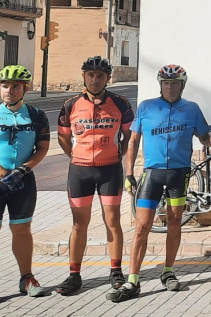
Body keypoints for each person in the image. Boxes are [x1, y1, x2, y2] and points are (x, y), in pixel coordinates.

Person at [110, 65, 211, 302]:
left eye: (175, 83)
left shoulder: (192, 109)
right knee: (141, 226)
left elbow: (205, 138)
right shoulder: (146, 106)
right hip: (152, 174)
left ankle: (168, 271)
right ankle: (133, 279)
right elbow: (133, 141)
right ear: (160, 85)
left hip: (179, 173)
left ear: (182, 85)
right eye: (166, 83)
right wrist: (128, 173)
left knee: (175, 222)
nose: (170, 87)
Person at [0, 65, 51, 309]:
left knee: (22, 231)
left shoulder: (36, 115)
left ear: (25, 88)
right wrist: (2, 173)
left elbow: (43, 148)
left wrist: (24, 169)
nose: (9, 90)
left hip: (23, 180)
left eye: (15, 86)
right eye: (5, 85)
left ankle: (26, 278)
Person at [54, 56, 135, 296]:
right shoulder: (71, 104)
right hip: (80, 170)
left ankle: (116, 271)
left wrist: (121, 154)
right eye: (91, 74)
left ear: (108, 78)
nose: (95, 79)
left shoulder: (121, 104)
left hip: (110, 169)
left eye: (100, 75)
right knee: (80, 224)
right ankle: (74, 275)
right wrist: (74, 156)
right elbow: (63, 137)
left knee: (113, 222)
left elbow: (130, 136)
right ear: (84, 76)